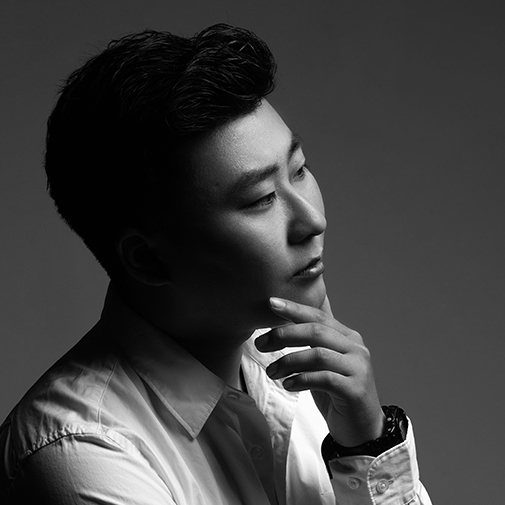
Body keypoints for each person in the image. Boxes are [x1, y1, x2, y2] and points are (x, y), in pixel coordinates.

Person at [0, 24, 432, 504]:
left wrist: (366, 444)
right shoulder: (82, 453)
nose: (312, 220)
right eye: (261, 198)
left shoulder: (302, 374)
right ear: (147, 259)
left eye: (299, 170)